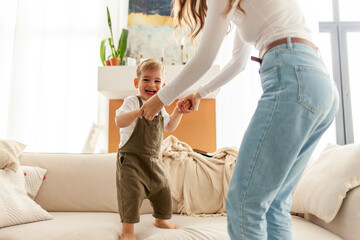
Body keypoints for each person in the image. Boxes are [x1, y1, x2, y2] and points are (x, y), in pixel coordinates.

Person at [138, 0, 339, 239]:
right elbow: (238, 63)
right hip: (318, 82)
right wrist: (200, 93)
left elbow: (204, 59)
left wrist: (160, 99)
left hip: (291, 77)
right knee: (275, 203)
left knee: (244, 202)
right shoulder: (242, 7)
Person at [115, 59, 186, 240]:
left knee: (163, 188)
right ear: (136, 82)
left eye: (157, 81)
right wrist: (136, 113)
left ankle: (161, 220)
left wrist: (178, 112)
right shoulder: (132, 101)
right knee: (131, 194)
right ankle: (127, 231)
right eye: (146, 80)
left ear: (163, 85)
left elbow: (169, 127)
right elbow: (119, 121)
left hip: (154, 161)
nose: (151, 85)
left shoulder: (160, 106)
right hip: (131, 161)